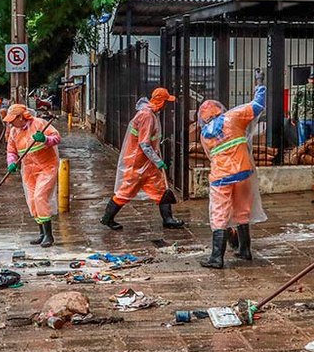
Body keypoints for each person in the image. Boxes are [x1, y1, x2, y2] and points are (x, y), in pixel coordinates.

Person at [197, 85, 268, 269]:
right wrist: (260, 86)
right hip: (244, 172)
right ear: (219, 109)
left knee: (219, 215)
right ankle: (244, 249)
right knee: (242, 211)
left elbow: (209, 156)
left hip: (221, 177)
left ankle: (216, 258)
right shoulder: (233, 118)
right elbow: (258, 105)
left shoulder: (204, 134)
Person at [100, 87, 185, 231]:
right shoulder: (147, 116)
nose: (167, 106)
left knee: (161, 189)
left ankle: (168, 219)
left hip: (146, 162)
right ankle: (107, 218)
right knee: (125, 191)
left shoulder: (151, 113)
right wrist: (158, 161)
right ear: (160, 102)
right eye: (166, 102)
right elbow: (144, 143)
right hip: (137, 162)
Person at [5, 104, 61, 247]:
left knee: (40, 197)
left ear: (20, 117)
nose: (11, 123)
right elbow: (11, 151)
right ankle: (41, 233)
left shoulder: (39, 124)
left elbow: (56, 137)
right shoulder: (13, 132)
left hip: (47, 166)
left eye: (13, 119)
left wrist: (44, 139)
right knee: (32, 200)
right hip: (29, 169)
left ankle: (49, 235)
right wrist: (12, 162)